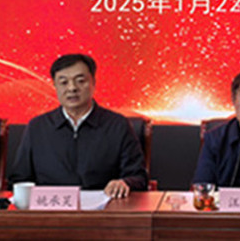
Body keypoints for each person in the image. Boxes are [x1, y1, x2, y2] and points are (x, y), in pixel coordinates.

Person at [8, 53, 147, 197]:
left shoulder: (118, 125)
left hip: (104, 207)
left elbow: (138, 177)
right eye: (63, 82)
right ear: (55, 86)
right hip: (52, 207)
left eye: (80, 81)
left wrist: (124, 183)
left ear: (93, 82)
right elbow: (20, 179)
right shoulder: (37, 127)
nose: (72, 88)